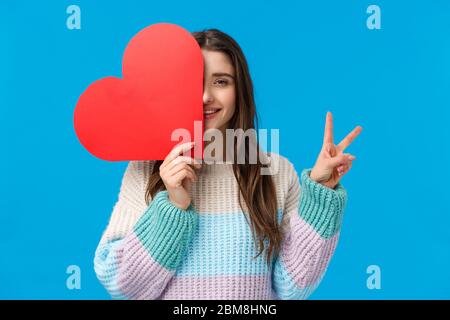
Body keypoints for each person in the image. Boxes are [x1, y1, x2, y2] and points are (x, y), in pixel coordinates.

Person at [93, 28, 362, 300]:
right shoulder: (146, 170)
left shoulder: (277, 172)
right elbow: (123, 286)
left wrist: (321, 191)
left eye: (221, 82)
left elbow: (294, 288)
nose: (205, 96)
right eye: (193, 81)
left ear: (240, 89)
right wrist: (173, 205)